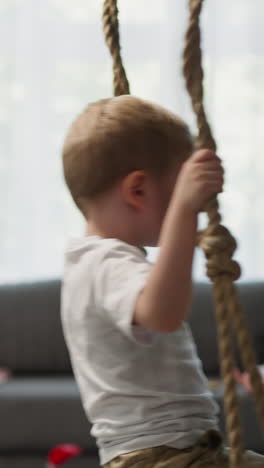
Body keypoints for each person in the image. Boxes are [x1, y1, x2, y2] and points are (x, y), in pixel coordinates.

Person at [60, 95, 264, 467]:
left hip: (173, 451)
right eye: (176, 192)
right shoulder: (106, 262)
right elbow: (161, 312)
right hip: (160, 457)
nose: (194, 208)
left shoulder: (93, 262)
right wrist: (184, 210)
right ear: (137, 191)